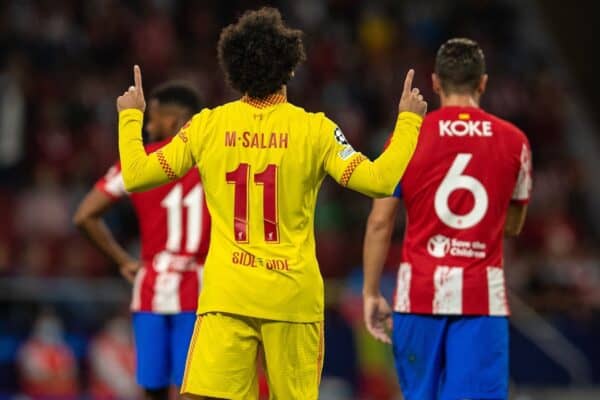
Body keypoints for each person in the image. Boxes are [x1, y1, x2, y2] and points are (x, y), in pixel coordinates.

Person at [116, 7, 427, 399]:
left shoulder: (207, 126)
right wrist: (409, 122)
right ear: (289, 68)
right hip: (292, 298)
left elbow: (136, 174)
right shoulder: (315, 130)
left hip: (228, 295)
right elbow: (380, 181)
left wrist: (131, 117)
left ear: (233, 70)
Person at [362, 38, 532, 400]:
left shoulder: (408, 137)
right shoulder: (515, 141)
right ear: (483, 83)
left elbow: (379, 222)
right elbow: (514, 226)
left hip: (417, 298)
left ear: (436, 82)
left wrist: (371, 292)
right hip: (481, 301)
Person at [74, 82, 210, 400]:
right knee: (195, 389)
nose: (149, 126)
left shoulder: (138, 165)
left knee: (152, 390)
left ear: (176, 121)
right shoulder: (212, 161)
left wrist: (123, 261)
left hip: (151, 289)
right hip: (202, 290)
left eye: (156, 118)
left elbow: (84, 215)